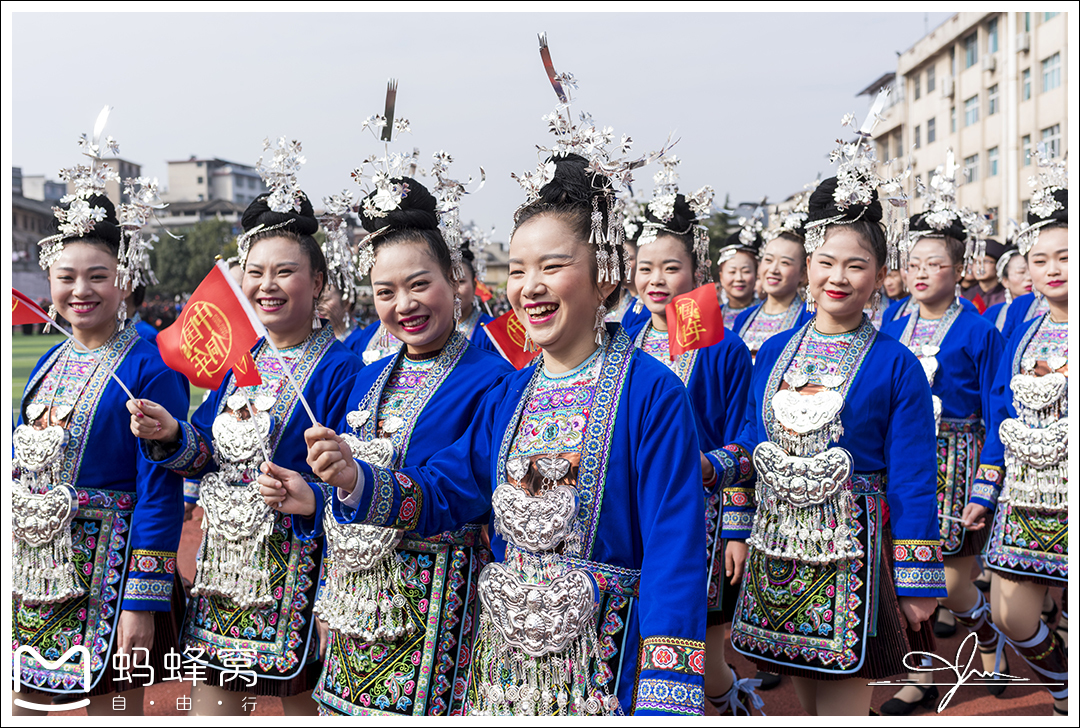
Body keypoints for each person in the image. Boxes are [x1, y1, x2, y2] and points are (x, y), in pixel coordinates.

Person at [714, 119, 945, 716]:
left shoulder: (897, 365)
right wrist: (724, 500)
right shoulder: (772, 352)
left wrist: (917, 578)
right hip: (777, 542)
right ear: (808, 266)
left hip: (855, 546)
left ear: (879, 274)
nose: (838, 278)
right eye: (826, 262)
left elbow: (916, 471)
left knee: (841, 704)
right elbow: (749, 441)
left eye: (857, 265)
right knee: (802, 694)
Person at [260, 172, 513, 715]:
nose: (405, 304)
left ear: (455, 279)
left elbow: (464, 489)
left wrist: (357, 480)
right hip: (359, 614)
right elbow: (347, 493)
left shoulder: (493, 379)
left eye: (419, 284)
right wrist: (314, 493)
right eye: (385, 292)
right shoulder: (369, 376)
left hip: (442, 614)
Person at [130, 147, 364, 716]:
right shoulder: (242, 360)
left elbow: (353, 477)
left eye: (285, 271)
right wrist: (170, 434)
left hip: (302, 580)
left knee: (307, 709)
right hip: (224, 574)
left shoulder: (345, 370)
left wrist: (310, 497)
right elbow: (206, 453)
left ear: (319, 280)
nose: (268, 285)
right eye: (255, 272)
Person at [13, 134, 189, 716]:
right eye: (66, 277)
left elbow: (159, 490)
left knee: (114, 711)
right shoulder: (50, 359)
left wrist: (141, 599)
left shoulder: (149, 365)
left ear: (125, 278)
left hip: (115, 576)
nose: (80, 291)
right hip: (42, 571)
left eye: (97, 275)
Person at [626, 172, 756, 714]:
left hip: (699, 515)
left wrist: (734, 528)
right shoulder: (620, 340)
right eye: (646, 267)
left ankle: (732, 707)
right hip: (630, 511)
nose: (657, 280)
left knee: (699, 653)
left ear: (697, 272)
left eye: (671, 267)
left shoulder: (721, 347)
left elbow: (747, 440)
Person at [879, 170, 1005, 714]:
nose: (923, 273)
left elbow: (999, 411)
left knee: (952, 586)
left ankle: (992, 632)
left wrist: (985, 484)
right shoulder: (887, 323)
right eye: (915, 263)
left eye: (937, 264)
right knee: (908, 573)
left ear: (961, 270)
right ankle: (923, 672)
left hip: (958, 463)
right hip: (903, 465)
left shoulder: (981, 331)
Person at [963, 161, 1068, 717]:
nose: (1052, 269)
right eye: (1041, 259)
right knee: (1008, 614)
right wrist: (984, 490)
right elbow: (1003, 415)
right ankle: (1064, 684)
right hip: (1029, 494)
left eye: (1065, 256)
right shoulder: (1023, 330)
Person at [734, 202, 813, 362]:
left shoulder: (810, 320)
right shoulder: (743, 318)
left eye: (785, 263)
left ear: (803, 274)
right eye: (768, 260)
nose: (773, 269)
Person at [716, 221, 762, 327]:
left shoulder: (768, 312)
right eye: (732, 272)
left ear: (756, 275)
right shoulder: (710, 318)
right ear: (721, 277)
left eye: (746, 271)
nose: (739, 278)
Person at [983, 245, 1032, 332]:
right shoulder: (993, 313)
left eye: (1032, 271)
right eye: (1021, 272)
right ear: (1005, 281)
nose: (1029, 278)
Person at [961, 238, 1008, 309]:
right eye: (976, 262)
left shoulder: (1006, 296)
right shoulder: (968, 296)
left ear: (998, 265)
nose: (980, 267)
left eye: (985, 261)